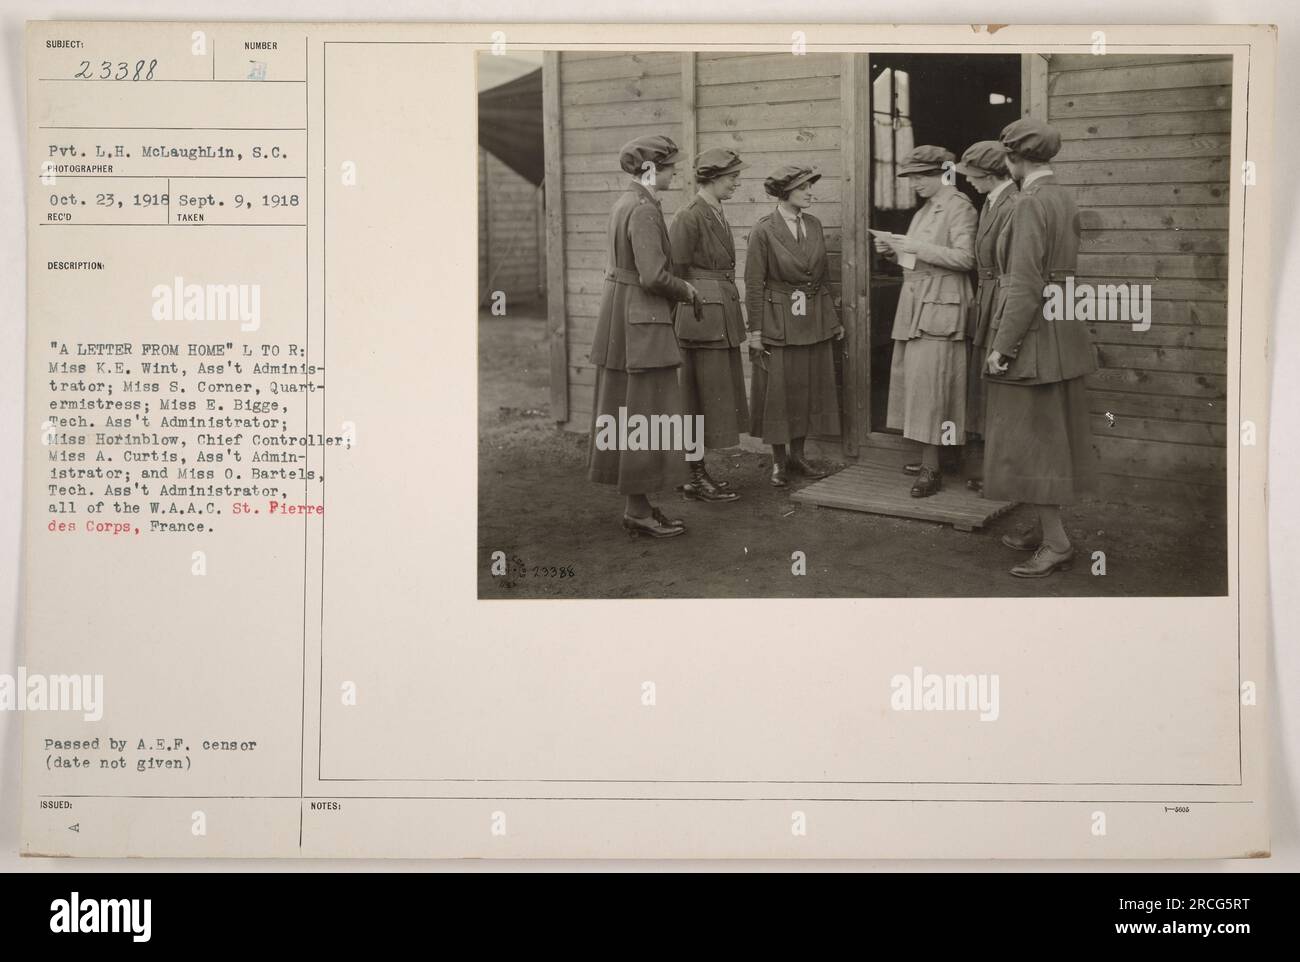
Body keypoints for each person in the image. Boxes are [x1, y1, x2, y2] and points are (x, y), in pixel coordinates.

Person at [983, 117, 1098, 577]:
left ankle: (1056, 542)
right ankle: (1043, 526)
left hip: (1031, 340)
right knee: (1048, 438)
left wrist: (1002, 346)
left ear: (1015, 159)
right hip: (1061, 332)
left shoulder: (1029, 203)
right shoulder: (1063, 195)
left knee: (1032, 444)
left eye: (1007, 160)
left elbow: (1026, 284)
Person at [587, 134, 701, 539]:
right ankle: (638, 510)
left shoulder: (625, 203)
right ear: (651, 170)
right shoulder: (645, 210)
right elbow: (653, 275)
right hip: (641, 323)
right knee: (644, 413)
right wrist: (686, 290)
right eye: (670, 168)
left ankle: (640, 505)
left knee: (629, 412)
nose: (675, 173)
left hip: (622, 317)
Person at [876, 145, 976, 498]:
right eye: (912, 177)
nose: (915, 183)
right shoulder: (924, 212)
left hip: (943, 307)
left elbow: (967, 258)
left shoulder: (958, 207)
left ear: (943, 173)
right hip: (920, 305)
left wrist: (915, 249)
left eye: (921, 176)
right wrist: (895, 252)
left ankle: (934, 466)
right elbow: (918, 262)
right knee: (921, 385)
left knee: (935, 386)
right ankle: (935, 458)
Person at [743, 164, 844, 488]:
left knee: (806, 389)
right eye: (803, 188)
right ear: (785, 193)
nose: (810, 192)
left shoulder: (813, 224)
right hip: (779, 323)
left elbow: (824, 279)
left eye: (810, 187)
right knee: (779, 392)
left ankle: (799, 457)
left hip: (813, 319)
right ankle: (779, 461)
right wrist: (756, 333)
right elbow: (754, 284)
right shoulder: (764, 230)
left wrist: (833, 319)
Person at [668, 147, 749, 503]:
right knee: (693, 400)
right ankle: (692, 474)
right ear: (712, 178)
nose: (736, 183)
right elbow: (675, 273)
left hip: (718, 316)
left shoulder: (715, 211)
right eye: (731, 178)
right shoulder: (689, 216)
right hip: (699, 320)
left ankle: (696, 472)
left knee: (711, 400)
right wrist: (684, 317)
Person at [954, 140, 1019, 494]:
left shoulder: (1013, 204)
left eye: (974, 175)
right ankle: (993, 465)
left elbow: (1014, 268)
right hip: (987, 299)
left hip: (1002, 301)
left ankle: (1006, 470)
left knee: (1002, 386)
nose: (968, 181)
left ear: (991, 174)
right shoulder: (991, 202)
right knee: (985, 386)